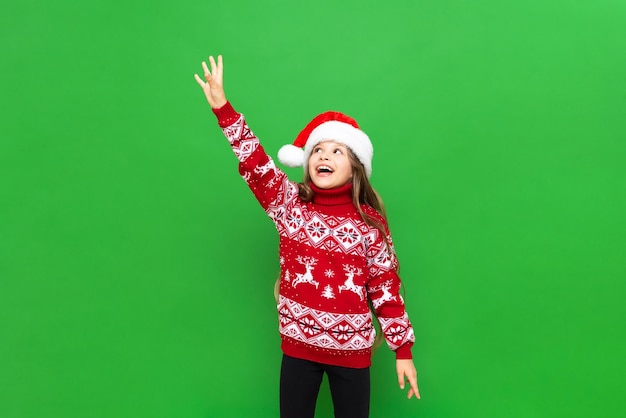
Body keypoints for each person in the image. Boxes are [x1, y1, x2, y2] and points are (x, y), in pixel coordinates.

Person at [194, 55, 420, 418]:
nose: (323, 156)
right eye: (317, 149)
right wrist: (224, 110)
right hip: (299, 349)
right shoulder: (289, 205)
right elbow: (256, 165)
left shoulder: (370, 224)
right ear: (306, 161)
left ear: (356, 166)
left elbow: (385, 286)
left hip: (353, 355)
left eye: (336, 151)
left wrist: (403, 350)